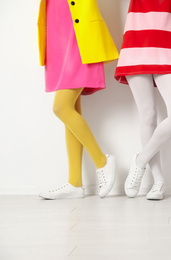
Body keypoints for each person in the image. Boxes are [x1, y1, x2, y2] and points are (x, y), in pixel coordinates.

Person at [38, 0, 118, 199]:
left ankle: (102, 161)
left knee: (61, 108)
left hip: (78, 35)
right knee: (70, 110)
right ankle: (75, 183)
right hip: (58, 35)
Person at [115, 0, 171, 200]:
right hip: (137, 40)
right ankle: (158, 182)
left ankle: (140, 161)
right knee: (148, 115)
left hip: (169, 44)